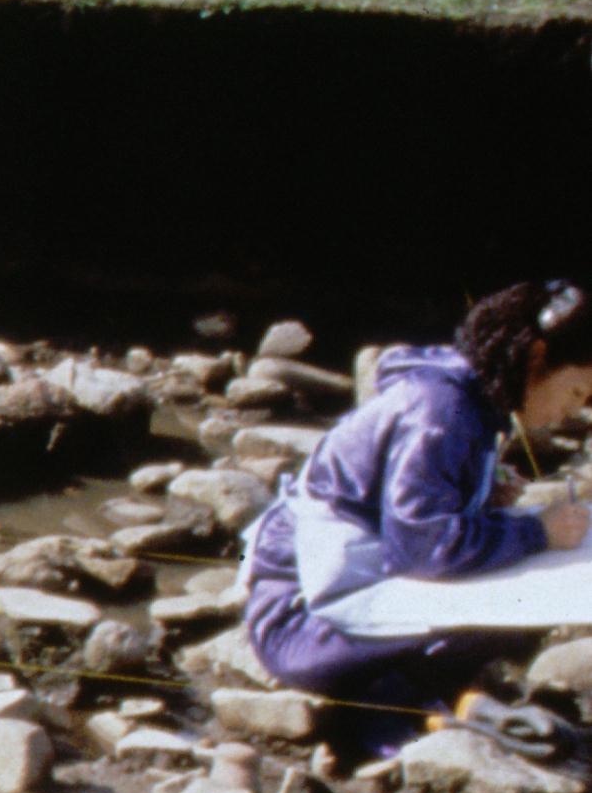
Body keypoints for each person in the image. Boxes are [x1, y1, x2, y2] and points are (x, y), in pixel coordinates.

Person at [243, 278, 592, 717]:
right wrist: (535, 531)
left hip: (350, 584)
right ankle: (413, 707)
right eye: (576, 391)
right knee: (512, 611)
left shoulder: (471, 398)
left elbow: (411, 508)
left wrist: (482, 495)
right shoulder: (440, 409)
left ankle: (430, 699)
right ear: (537, 358)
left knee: (513, 617)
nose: (572, 411)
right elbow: (423, 548)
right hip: (301, 622)